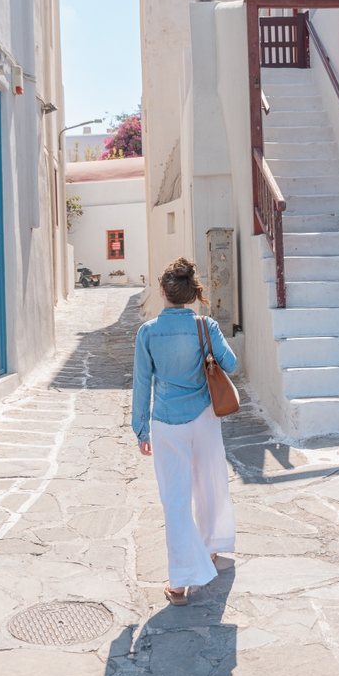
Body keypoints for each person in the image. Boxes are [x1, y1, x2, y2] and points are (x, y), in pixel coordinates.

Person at [132, 257, 238, 607]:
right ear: (192, 293)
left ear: (162, 292)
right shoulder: (204, 326)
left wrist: (141, 429)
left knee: (174, 499)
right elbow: (231, 364)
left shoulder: (148, 333)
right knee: (210, 481)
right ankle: (210, 548)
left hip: (166, 422)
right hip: (204, 418)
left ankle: (179, 583)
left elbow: (142, 385)